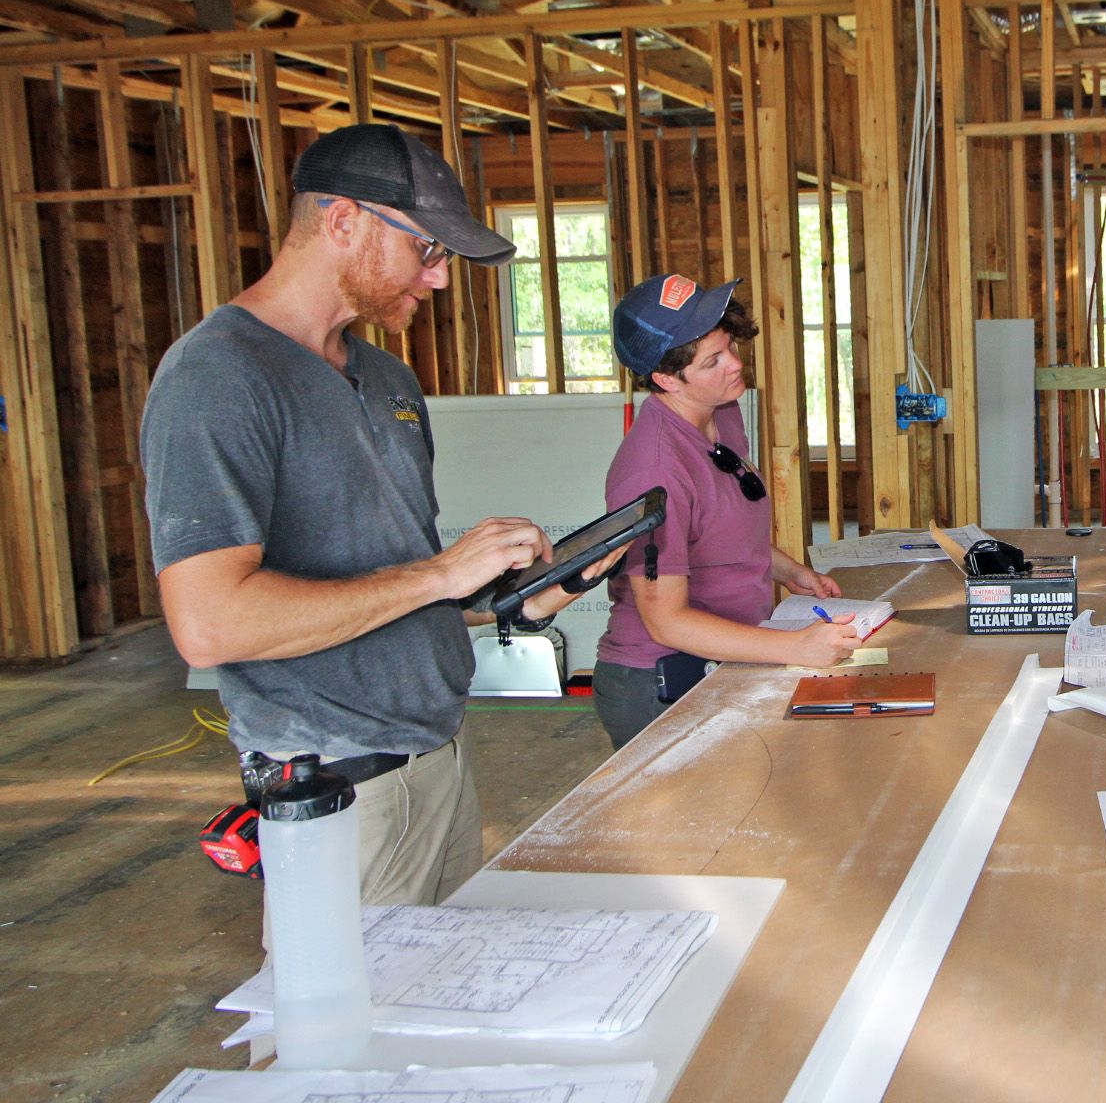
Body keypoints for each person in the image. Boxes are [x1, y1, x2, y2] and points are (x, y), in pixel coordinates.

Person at [142, 123, 617, 911]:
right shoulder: (217, 378)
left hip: (439, 764)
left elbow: (399, 591)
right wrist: (438, 571)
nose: (437, 280)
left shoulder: (386, 377)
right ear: (342, 223)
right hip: (338, 794)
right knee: (336, 1028)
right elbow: (210, 624)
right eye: (427, 250)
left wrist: (532, 594)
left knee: (445, 1017)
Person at [593, 273, 860, 749]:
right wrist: (797, 648)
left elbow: (721, 526)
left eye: (730, 345)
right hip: (660, 684)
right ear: (664, 378)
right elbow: (666, 620)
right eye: (713, 361)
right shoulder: (653, 470)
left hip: (725, 660)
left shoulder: (720, 411)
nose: (736, 365)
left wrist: (787, 570)